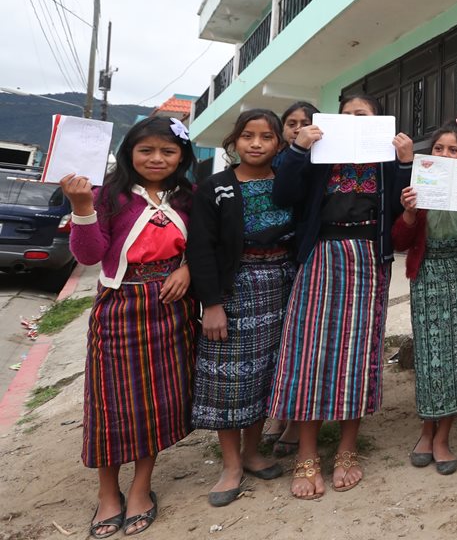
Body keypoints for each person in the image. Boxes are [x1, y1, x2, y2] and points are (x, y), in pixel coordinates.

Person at [270, 94, 412, 499]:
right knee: (309, 354)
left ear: (378, 121)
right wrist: (299, 148)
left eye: (361, 115)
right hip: (322, 256)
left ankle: (348, 448)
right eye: (346, 115)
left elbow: (406, 207)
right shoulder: (318, 153)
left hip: (369, 258)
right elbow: (284, 195)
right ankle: (308, 453)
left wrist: (404, 162)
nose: (353, 120)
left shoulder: (386, 157)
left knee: (358, 353)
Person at [62, 116, 198, 537]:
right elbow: (89, 256)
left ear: (181, 156)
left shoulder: (190, 197)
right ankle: (108, 494)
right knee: (110, 403)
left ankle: (140, 488)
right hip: (119, 308)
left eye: (167, 151)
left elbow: (206, 244)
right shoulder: (108, 197)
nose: (157, 159)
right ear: (129, 153)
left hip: (173, 309)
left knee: (158, 402)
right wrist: (82, 208)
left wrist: (189, 269)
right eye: (146, 150)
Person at [189, 109, 294, 505]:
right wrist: (212, 304)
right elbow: (201, 248)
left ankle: (252, 452)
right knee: (228, 379)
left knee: (266, 373)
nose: (255, 143)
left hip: (283, 284)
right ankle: (231, 464)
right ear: (234, 141)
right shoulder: (215, 188)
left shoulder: (289, 183)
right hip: (235, 289)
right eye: (247, 135)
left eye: (266, 137)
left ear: (279, 145)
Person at [392, 123, 457, 476]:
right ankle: (425, 431)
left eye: (454, 150)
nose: (446, 155)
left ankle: (443, 436)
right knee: (430, 356)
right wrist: (407, 212)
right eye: (439, 149)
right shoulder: (418, 187)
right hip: (427, 276)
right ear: (429, 154)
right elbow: (399, 241)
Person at [264, 101, 317, 456]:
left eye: (305, 122)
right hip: (267, 264)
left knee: (300, 340)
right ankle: (277, 413)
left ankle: (296, 421)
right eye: (291, 123)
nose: (298, 128)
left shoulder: (319, 158)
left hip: (301, 256)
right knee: (275, 341)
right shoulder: (273, 160)